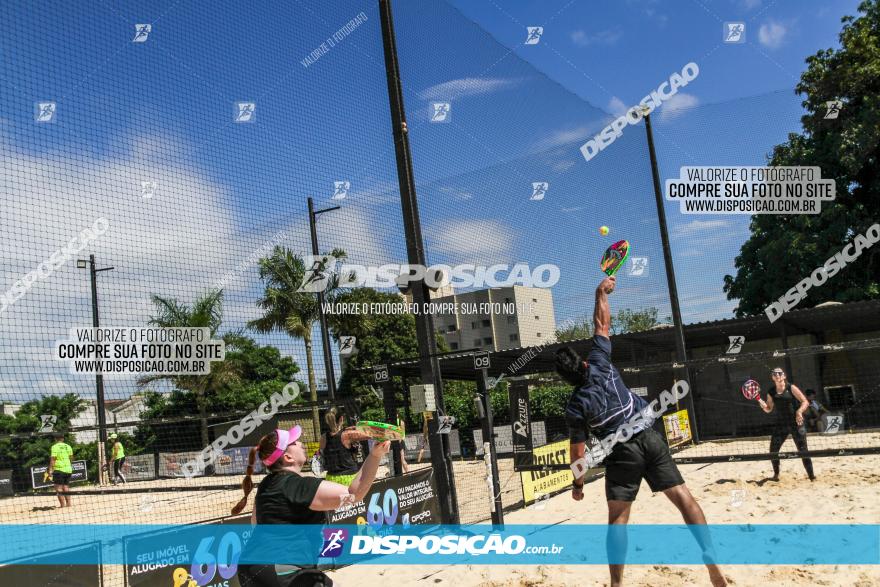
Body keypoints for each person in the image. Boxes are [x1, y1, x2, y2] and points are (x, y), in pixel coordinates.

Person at [556, 276, 727, 587]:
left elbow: (577, 453)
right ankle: (711, 559)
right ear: (580, 362)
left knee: (618, 520)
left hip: (621, 452)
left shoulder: (575, 405)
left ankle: (618, 584)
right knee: (684, 498)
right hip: (650, 434)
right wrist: (599, 292)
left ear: (566, 379)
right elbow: (601, 324)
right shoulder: (598, 361)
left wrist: (578, 483)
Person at [234, 425, 390, 586]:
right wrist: (375, 455)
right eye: (295, 442)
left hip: (249, 567)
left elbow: (255, 524)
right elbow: (353, 495)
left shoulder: (267, 484)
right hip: (282, 569)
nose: (301, 443)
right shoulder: (299, 486)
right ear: (287, 457)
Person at [758, 368, 816, 481]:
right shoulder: (771, 392)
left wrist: (799, 412)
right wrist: (763, 406)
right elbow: (769, 409)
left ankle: (811, 476)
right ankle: (776, 475)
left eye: (779, 373)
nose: (777, 375)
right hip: (781, 424)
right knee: (773, 450)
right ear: (772, 377)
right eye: (774, 374)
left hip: (796, 423)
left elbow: (805, 401)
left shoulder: (791, 387)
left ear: (784, 376)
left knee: (803, 450)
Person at [317, 408, 371, 485]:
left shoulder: (323, 437)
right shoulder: (347, 435)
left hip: (331, 478)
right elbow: (370, 434)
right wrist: (357, 429)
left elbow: (321, 456)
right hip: (349, 477)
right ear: (341, 419)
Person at [47, 432, 73, 508]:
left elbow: (53, 459)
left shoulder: (54, 447)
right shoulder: (68, 446)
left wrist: (50, 469)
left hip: (59, 469)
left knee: (58, 488)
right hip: (68, 469)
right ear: (63, 438)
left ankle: (62, 505)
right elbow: (71, 458)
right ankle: (69, 504)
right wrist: (68, 464)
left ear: (55, 439)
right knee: (66, 487)